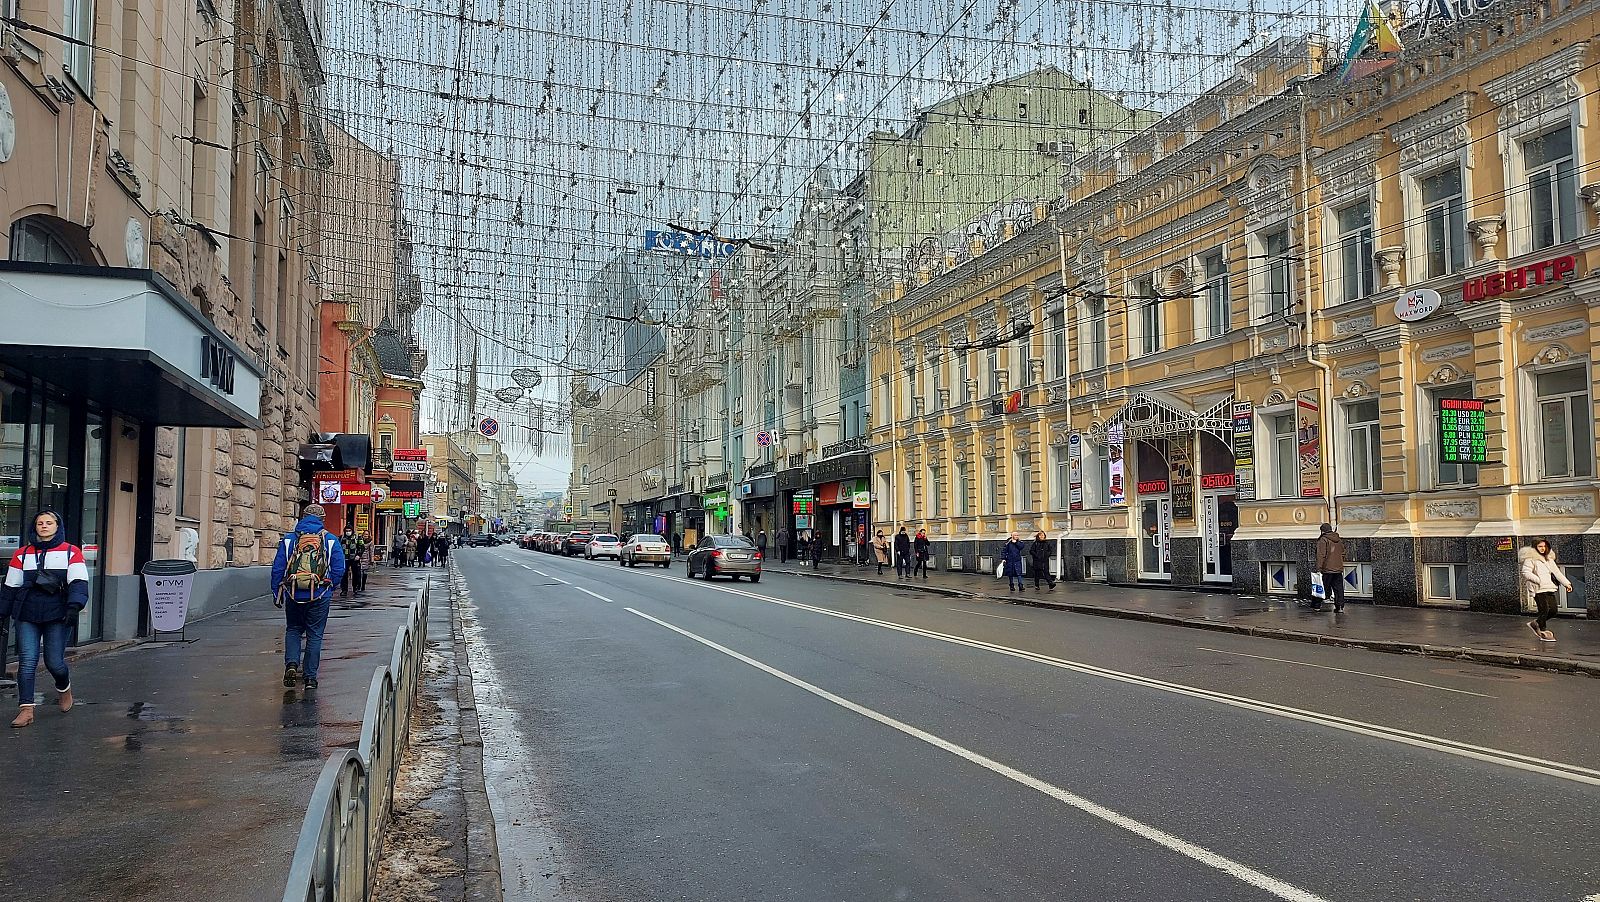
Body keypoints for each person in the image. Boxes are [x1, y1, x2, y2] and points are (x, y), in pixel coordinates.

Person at [3, 510, 90, 728]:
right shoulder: (22, 554)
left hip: (57, 613)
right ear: (34, 527)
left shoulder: (71, 552)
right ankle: (26, 709)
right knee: (27, 661)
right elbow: (10, 587)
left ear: (57, 526)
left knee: (54, 662)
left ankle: (64, 687)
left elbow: (78, 582)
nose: (44, 526)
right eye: (40, 523)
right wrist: (2, 613)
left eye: (49, 522)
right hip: (27, 613)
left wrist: (74, 607)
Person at [271, 503, 347, 691]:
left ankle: (291, 664)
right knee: (315, 634)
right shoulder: (330, 540)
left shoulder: (289, 539)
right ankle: (310, 679)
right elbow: (339, 568)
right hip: (319, 594)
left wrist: (276, 592)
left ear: (302, 517)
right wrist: (330, 586)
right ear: (322, 519)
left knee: (293, 629)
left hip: (293, 592)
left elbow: (278, 567)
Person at [1521, 538, 1572, 642]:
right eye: (1540, 546)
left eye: (1544, 546)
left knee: (1553, 610)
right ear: (1535, 547)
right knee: (1544, 610)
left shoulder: (1549, 558)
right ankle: (1543, 631)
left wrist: (1567, 584)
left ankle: (1535, 623)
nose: (1543, 548)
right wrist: (1538, 580)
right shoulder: (1530, 559)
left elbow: (1557, 573)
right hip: (1538, 589)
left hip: (1549, 587)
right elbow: (1525, 572)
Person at [1313, 523, 1345, 612]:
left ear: (1322, 531)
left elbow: (1321, 555)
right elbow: (1343, 552)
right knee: (1338, 589)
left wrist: (1319, 568)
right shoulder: (1338, 539)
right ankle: (1339, 607)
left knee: (1322, 587)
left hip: (1327, 569)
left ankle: (1317, 606)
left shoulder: (1323, 540)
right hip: (1338, 568)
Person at [341, 527, 369, 597]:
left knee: (356, 574)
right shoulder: (341, 538)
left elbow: (362, 547)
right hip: (345, 558)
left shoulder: (357, 538)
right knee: (344, 575)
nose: (348, 532)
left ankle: (355, 588)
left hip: (354, 558)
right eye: (346, 531)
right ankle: (344, 590)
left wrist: (359, 555)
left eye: (349, 530)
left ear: (352, 531)